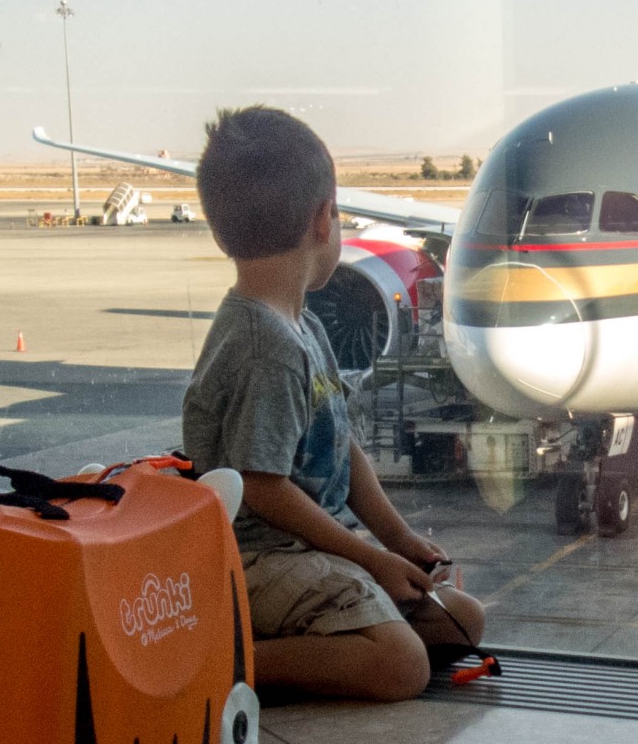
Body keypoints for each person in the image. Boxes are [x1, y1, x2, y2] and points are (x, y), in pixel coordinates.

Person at [183, 105, 485, 701]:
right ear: (325, 221)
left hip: (308, 551)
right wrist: (370, 561)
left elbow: (341, 445)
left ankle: (290, 645)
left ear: (220, 232)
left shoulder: (302, 327)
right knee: (401, 665)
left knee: (463, 620)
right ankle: (214, 668)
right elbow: (262, 485)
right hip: (256, 558)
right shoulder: (261, 348)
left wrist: (398, 541)